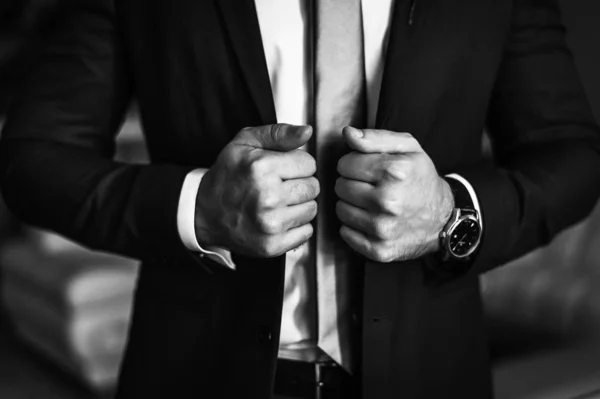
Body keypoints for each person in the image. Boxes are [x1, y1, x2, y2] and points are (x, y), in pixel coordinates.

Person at [1, 0, 599, 398]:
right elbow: (33, 158)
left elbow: (572, 153)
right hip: (195, 372)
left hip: (431, 371)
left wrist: (452, 214)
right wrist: (198, 208)